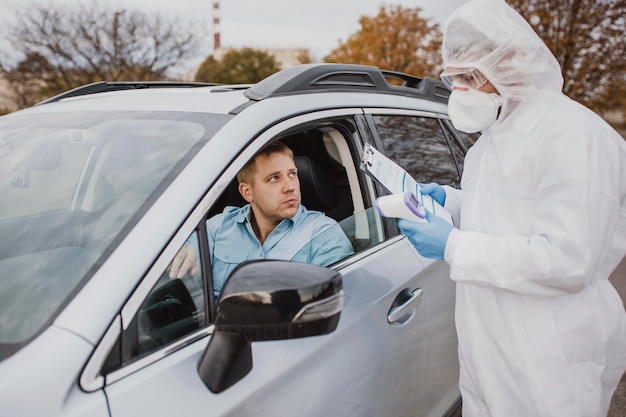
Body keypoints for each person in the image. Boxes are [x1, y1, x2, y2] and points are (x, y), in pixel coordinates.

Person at [397, 1, 626, 416]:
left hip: (549, 354)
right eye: (456, 78)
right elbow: (507, 212)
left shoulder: (572, 135)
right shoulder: (491, 140)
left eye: (471, 76)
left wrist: (454, 247)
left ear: (513, 61)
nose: (461, 90)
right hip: (491, 347)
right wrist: (452, 201)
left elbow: (568, 257)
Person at [169, 141, 354, 296]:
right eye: (274, 178)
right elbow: (185, 279)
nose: (290, 186)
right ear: (247, 192)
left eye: (292, 174)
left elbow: (328, 308)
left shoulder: (324, 234)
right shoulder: (217, 228)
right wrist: (178, 251)